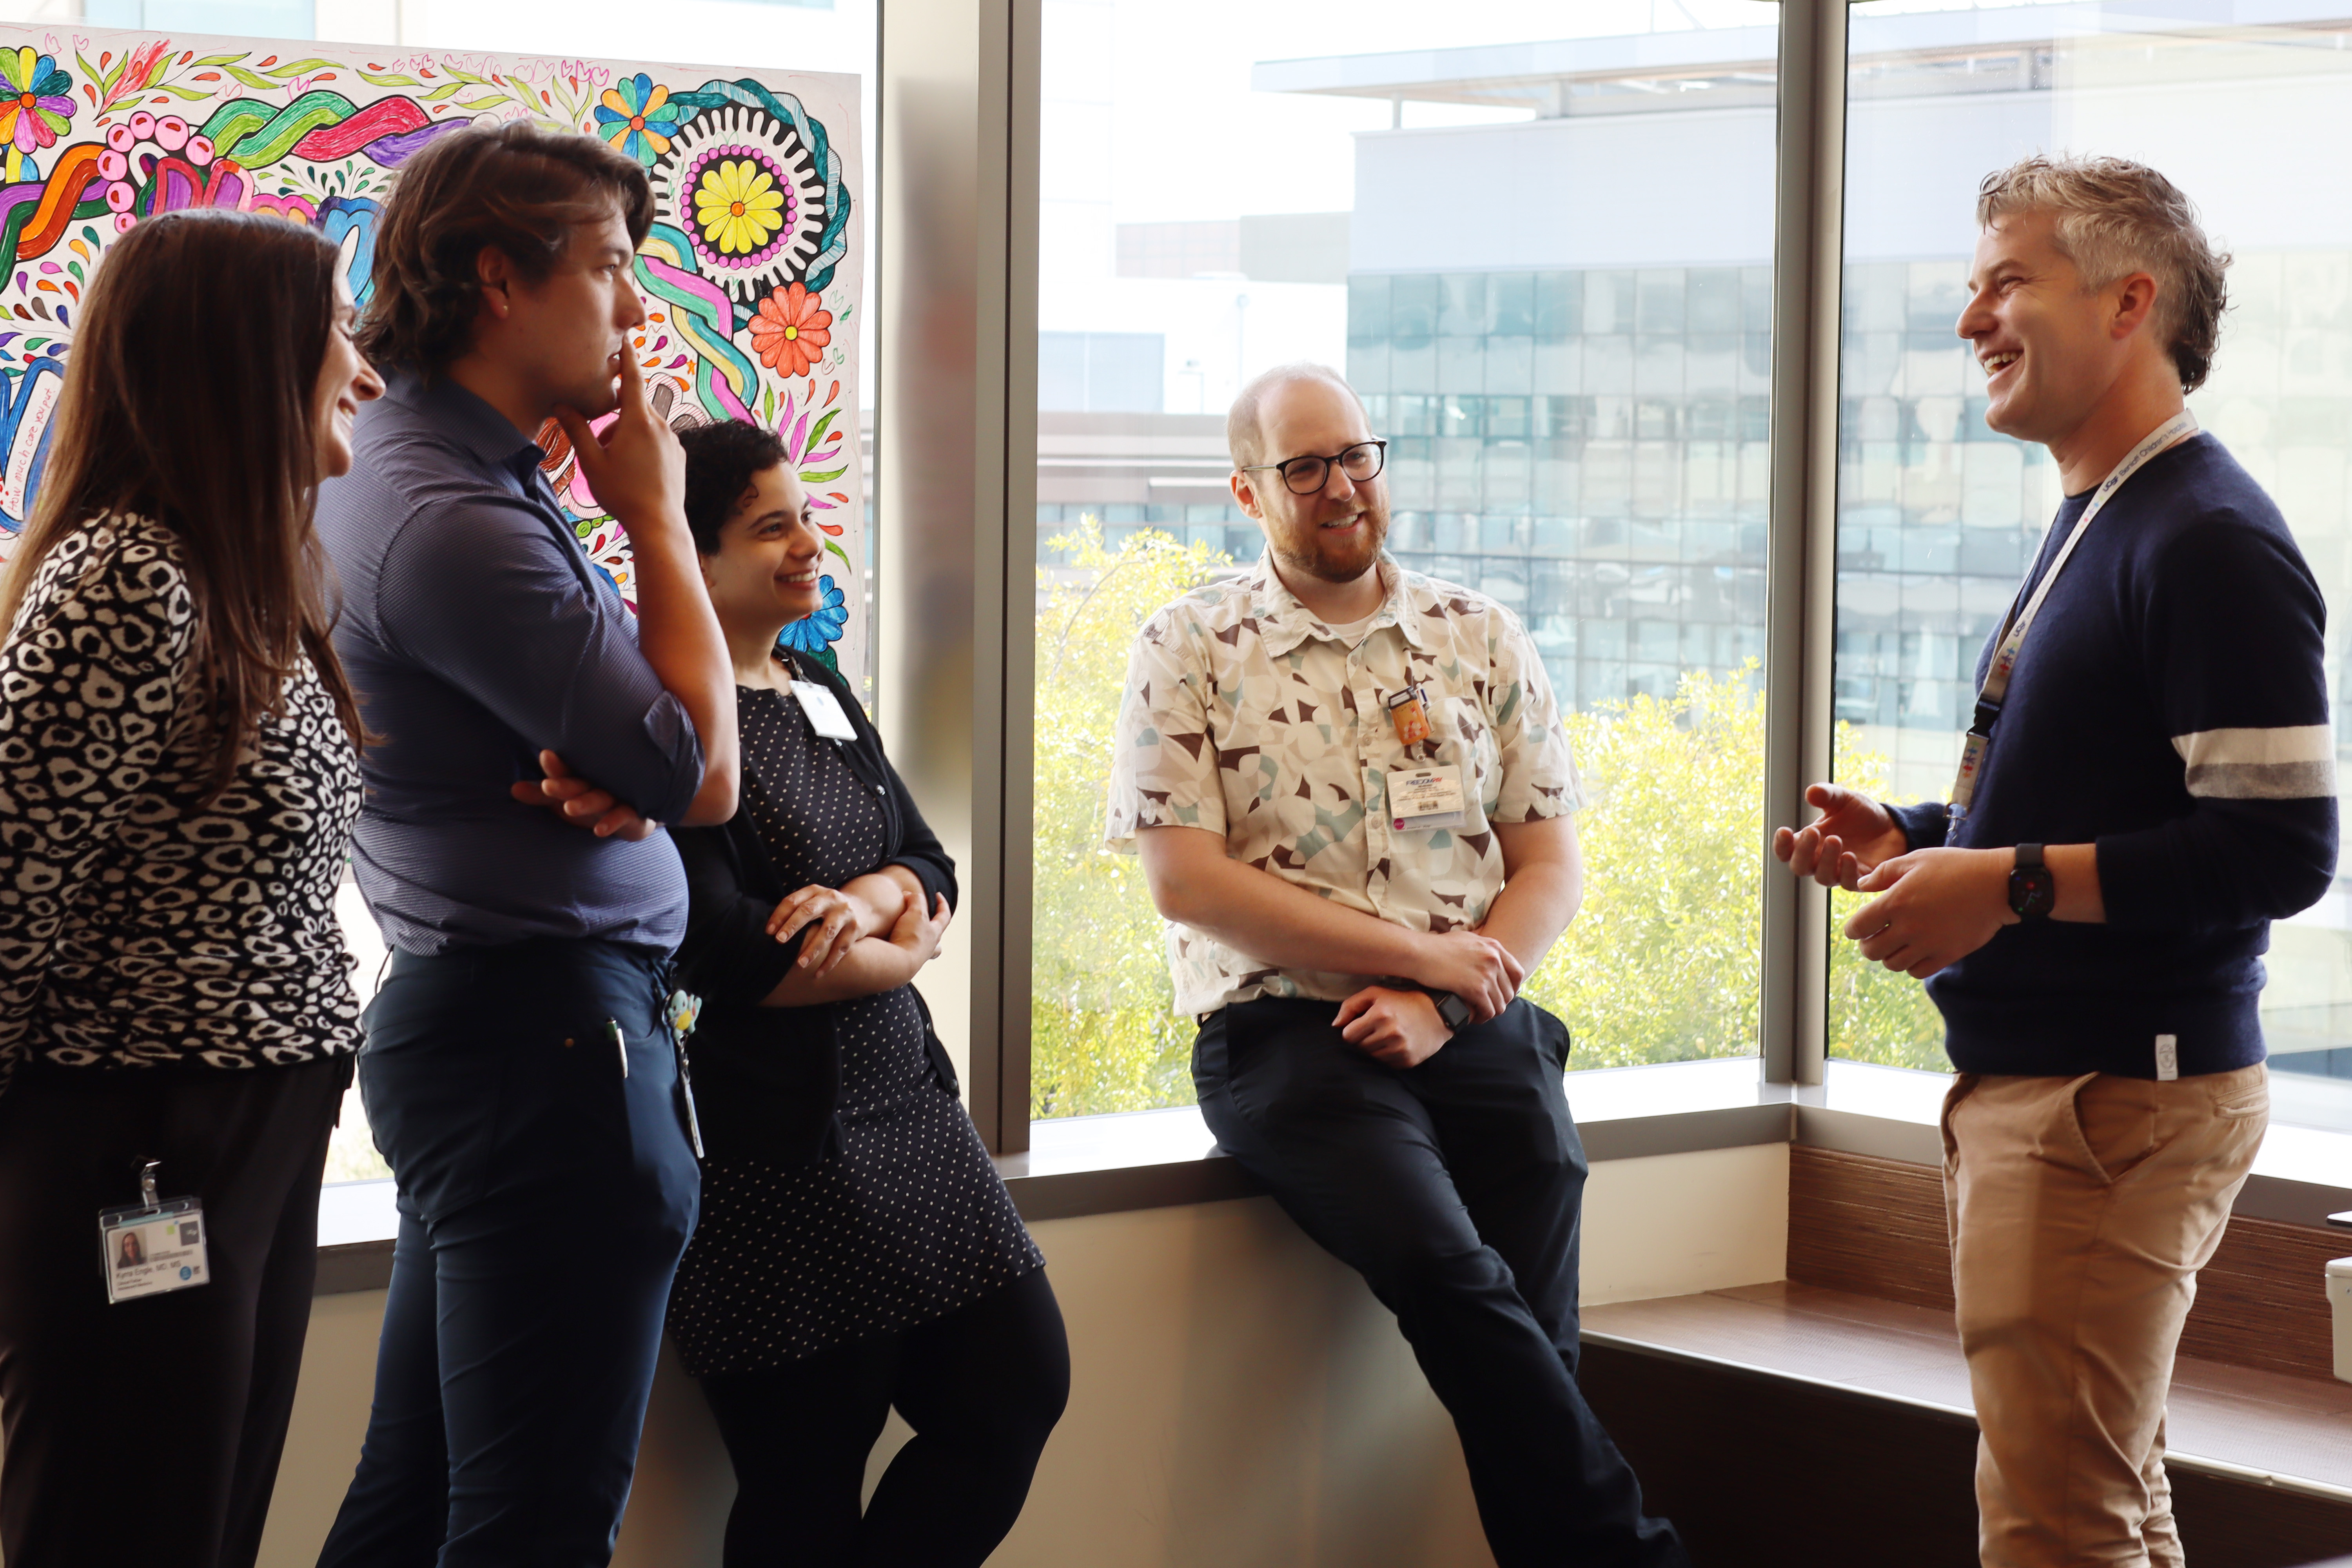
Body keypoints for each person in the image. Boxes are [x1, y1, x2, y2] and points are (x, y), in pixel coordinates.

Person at [1775, 155, 2336, 1568]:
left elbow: (2280, 846)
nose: (1972, 319)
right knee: (2106, 1499)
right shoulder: (2111, 513)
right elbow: (2116, 801)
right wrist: (1924, 840)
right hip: (2075, 1094)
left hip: (2114, 1102)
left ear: (2130, 301)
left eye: (2008, 280)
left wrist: (2005, 885)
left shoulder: (2205, 536)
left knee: (2054, 1525)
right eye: (1975, 287)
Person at [1110, 362, 1688, 1568]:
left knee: (1535, 1304)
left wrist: (1440, 994)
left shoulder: (1477, 635)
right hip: (1285, 1039)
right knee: (1452, 1275)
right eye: (1303, 467)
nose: (1339, 487)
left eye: (1356, 455)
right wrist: (1415, 960)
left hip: (1475, 1022)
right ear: (1247, 490)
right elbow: (1190, 883)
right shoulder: (1191, 643)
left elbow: (1549, 865)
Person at [310, 122, 739, 1567]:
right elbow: (704, 770)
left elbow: (650, 749)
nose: (636, 313)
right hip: (545, 1052)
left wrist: (643, 756)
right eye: (613, 269)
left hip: (506, 1039)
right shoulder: (453, 514)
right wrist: (659, 522)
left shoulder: (419, 460)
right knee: (531, 1527)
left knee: (420, 1500)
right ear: (501, 278)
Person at [0, 209, 385, 1568]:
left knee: (200, 1523)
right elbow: (5, 889)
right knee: (125, 1524)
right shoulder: (129, 580)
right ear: (244, 357)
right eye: (339, 331)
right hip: (140, 1135)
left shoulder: (247, 577)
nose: (368, 369)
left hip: (250, 1120)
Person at [664, 419, 1067, 1568]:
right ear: (693, 559)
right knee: (802, 1488)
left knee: (1016, 1393)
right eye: (771, 527)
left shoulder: (818, 682)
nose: (808, 544)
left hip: (912, 1121)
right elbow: (731, 954)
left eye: (806, 514)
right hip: (774, 1153)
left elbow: (932, 862)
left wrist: (877, 891)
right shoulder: (672, 719)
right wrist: (901, 953)